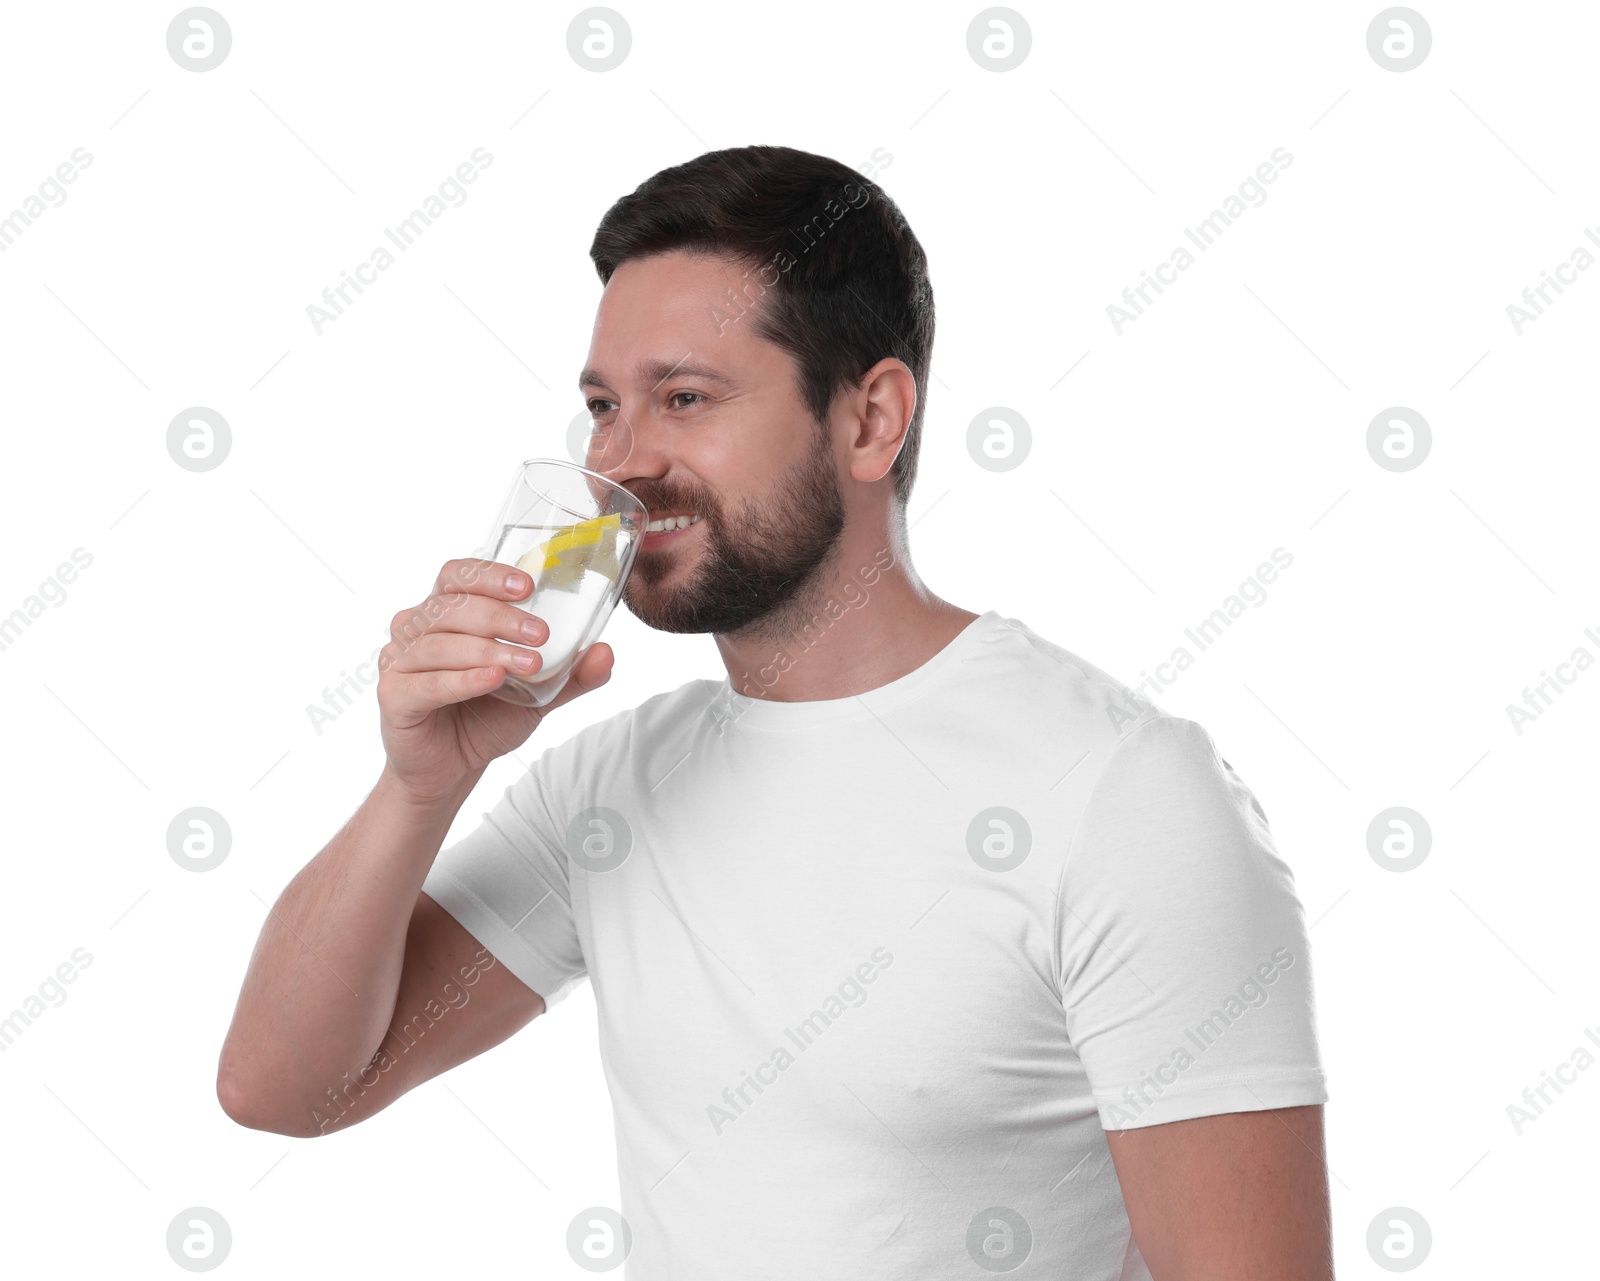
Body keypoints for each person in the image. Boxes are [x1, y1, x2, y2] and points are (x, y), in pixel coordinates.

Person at [218, 144, 1333, 1279]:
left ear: (869, 421)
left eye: (684, 399)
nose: (619, 462)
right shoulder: (612, 788)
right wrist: (424, 783)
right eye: (603, 406)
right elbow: (285, 1091)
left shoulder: (1122, 794)